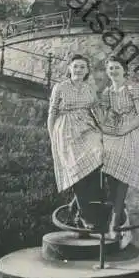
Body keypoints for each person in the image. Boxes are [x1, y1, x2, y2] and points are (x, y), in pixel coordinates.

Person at [99, 56, 139, 238]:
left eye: (117, 68)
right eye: (110, 68)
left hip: (134, 130)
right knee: (105, 163)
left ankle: (114, 221)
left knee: (123, 170)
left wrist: (124, 129)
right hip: (117, 130)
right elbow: (105, 115)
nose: (113, 71)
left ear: (124, 70)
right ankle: (115, 208)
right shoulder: (107, 92)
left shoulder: (132, 88)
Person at [47, 55, 103, 229]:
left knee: (99, 156)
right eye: (76, 66)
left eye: (82, 67)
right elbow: (52, 112)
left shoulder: (89, 88)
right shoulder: (60, 87)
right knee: (77, 168)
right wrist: (52, 136)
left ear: (87, 71)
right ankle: (85, 215)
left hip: (87, 127)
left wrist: (104, 129)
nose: (79, 70)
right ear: (69, 68)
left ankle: (74, 206)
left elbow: (96, 110)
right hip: (66, 129)